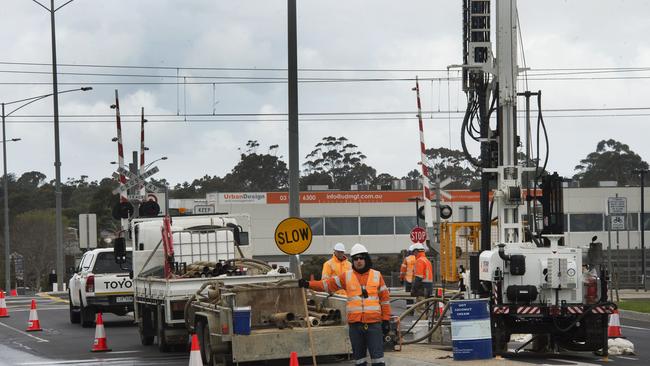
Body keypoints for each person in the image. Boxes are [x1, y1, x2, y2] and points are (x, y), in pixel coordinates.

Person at [299, 243, 391, 366]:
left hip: (373, 324)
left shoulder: (377, 275)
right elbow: (327, 284)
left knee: (378, 360)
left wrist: (386, 320)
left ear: (366, 259)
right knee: (359, 360)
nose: (358, 261)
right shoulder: (346, 276)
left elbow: (385, 300)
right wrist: (308, 284)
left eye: (361, 258)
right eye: (356, 258)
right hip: (355, 326)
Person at [410, 243, 433, 309]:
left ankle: (423, 319)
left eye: (414, 252)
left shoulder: (419, 261)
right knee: (426, 309)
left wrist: (414, 289)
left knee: (420, 309)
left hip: (422, 288)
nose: (413, 254)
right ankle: (426, 319)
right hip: (428, 288)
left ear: (417, 251)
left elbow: (418, 277)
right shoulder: (427, 260)